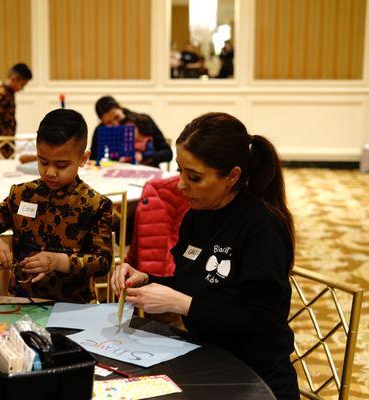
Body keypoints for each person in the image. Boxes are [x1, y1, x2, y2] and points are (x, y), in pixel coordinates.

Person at [111, 112, 299, 399]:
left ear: (232, 176)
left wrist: (183, 304)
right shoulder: (197, 214)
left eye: (194, 177)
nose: (180, 185)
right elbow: (199, 284)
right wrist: (146, 278)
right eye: (180, 171)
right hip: (205, 358)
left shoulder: (262, 228)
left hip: (255, 376)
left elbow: (261, 325)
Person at [0, 109, 113, 303]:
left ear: (83, 158)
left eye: (61, 165)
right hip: (23, 299)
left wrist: (57, 261)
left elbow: (102, 262)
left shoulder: (94, 204)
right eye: (43, 161)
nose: (50, 172)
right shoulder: (22, 195)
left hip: (74, 304)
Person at [90, 96, 173, 168]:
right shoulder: (100, 130)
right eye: (109, 123)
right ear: (102, 122)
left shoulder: (144, 121)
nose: (116, 124)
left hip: (148, 171)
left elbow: (167, 153)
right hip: (118, 174)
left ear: (120, 108)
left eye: (117, 117)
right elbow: (93, 159)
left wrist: (144, 157)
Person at [0, 63, 33, 159]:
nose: (22, 88)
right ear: (14, 79)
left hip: (7, 141)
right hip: (1, 143)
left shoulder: (9, 93)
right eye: (22, 84)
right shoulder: (2, 95)